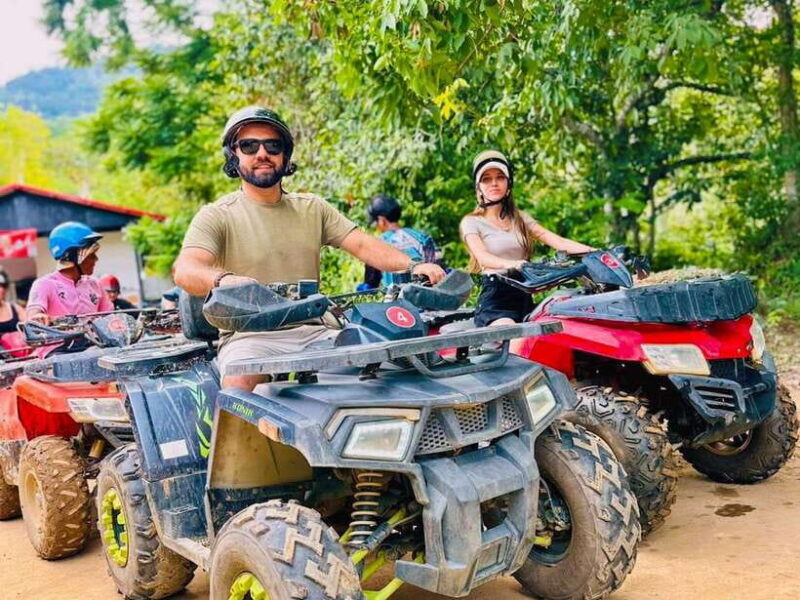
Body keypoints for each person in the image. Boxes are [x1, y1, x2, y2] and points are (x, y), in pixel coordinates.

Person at [173, 106, 444, 391]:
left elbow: (363, 244)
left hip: (317, 329)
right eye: (249, 146)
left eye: (273, 145)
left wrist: (414, 265)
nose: (262, 153)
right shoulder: (217, 215)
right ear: (233, 154)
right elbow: (186, 270)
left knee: (387, 368)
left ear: (285, 154)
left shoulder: (312, 207)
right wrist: (224, 280)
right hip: (250, 337)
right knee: (238, 383)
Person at [460, 150, 593, 352]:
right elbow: (482, 257)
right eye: (486, 179)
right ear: (479, 188)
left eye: (500, 177)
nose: (494, 183)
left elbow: (555, 240)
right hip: (496, 299)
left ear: (509, 184)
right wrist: (512, 264)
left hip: (524, 294)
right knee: (515, 339)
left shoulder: (520, 219)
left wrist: (595, 252)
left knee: (561, 333)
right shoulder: (472, 222)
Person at [27, 221, 114, 326]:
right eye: (91, 255)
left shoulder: (95, 284)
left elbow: (111, 317)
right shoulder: (44, 284)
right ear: (71, 256)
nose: (96, 259)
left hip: (94, 337)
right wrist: (38, 316)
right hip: (61, 337)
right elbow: (34, 314)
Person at [363, 194, 444, 288]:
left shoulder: (377, 245)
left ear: (382, 221)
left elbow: (371, 283)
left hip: (394, 296)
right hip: (429, 294)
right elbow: (439, 270)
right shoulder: (422, 237)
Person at [0, 269, 28, 357]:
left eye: (2, 286)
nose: (1, 289)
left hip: (21, 357)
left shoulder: (15, 308)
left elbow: (31, 327)